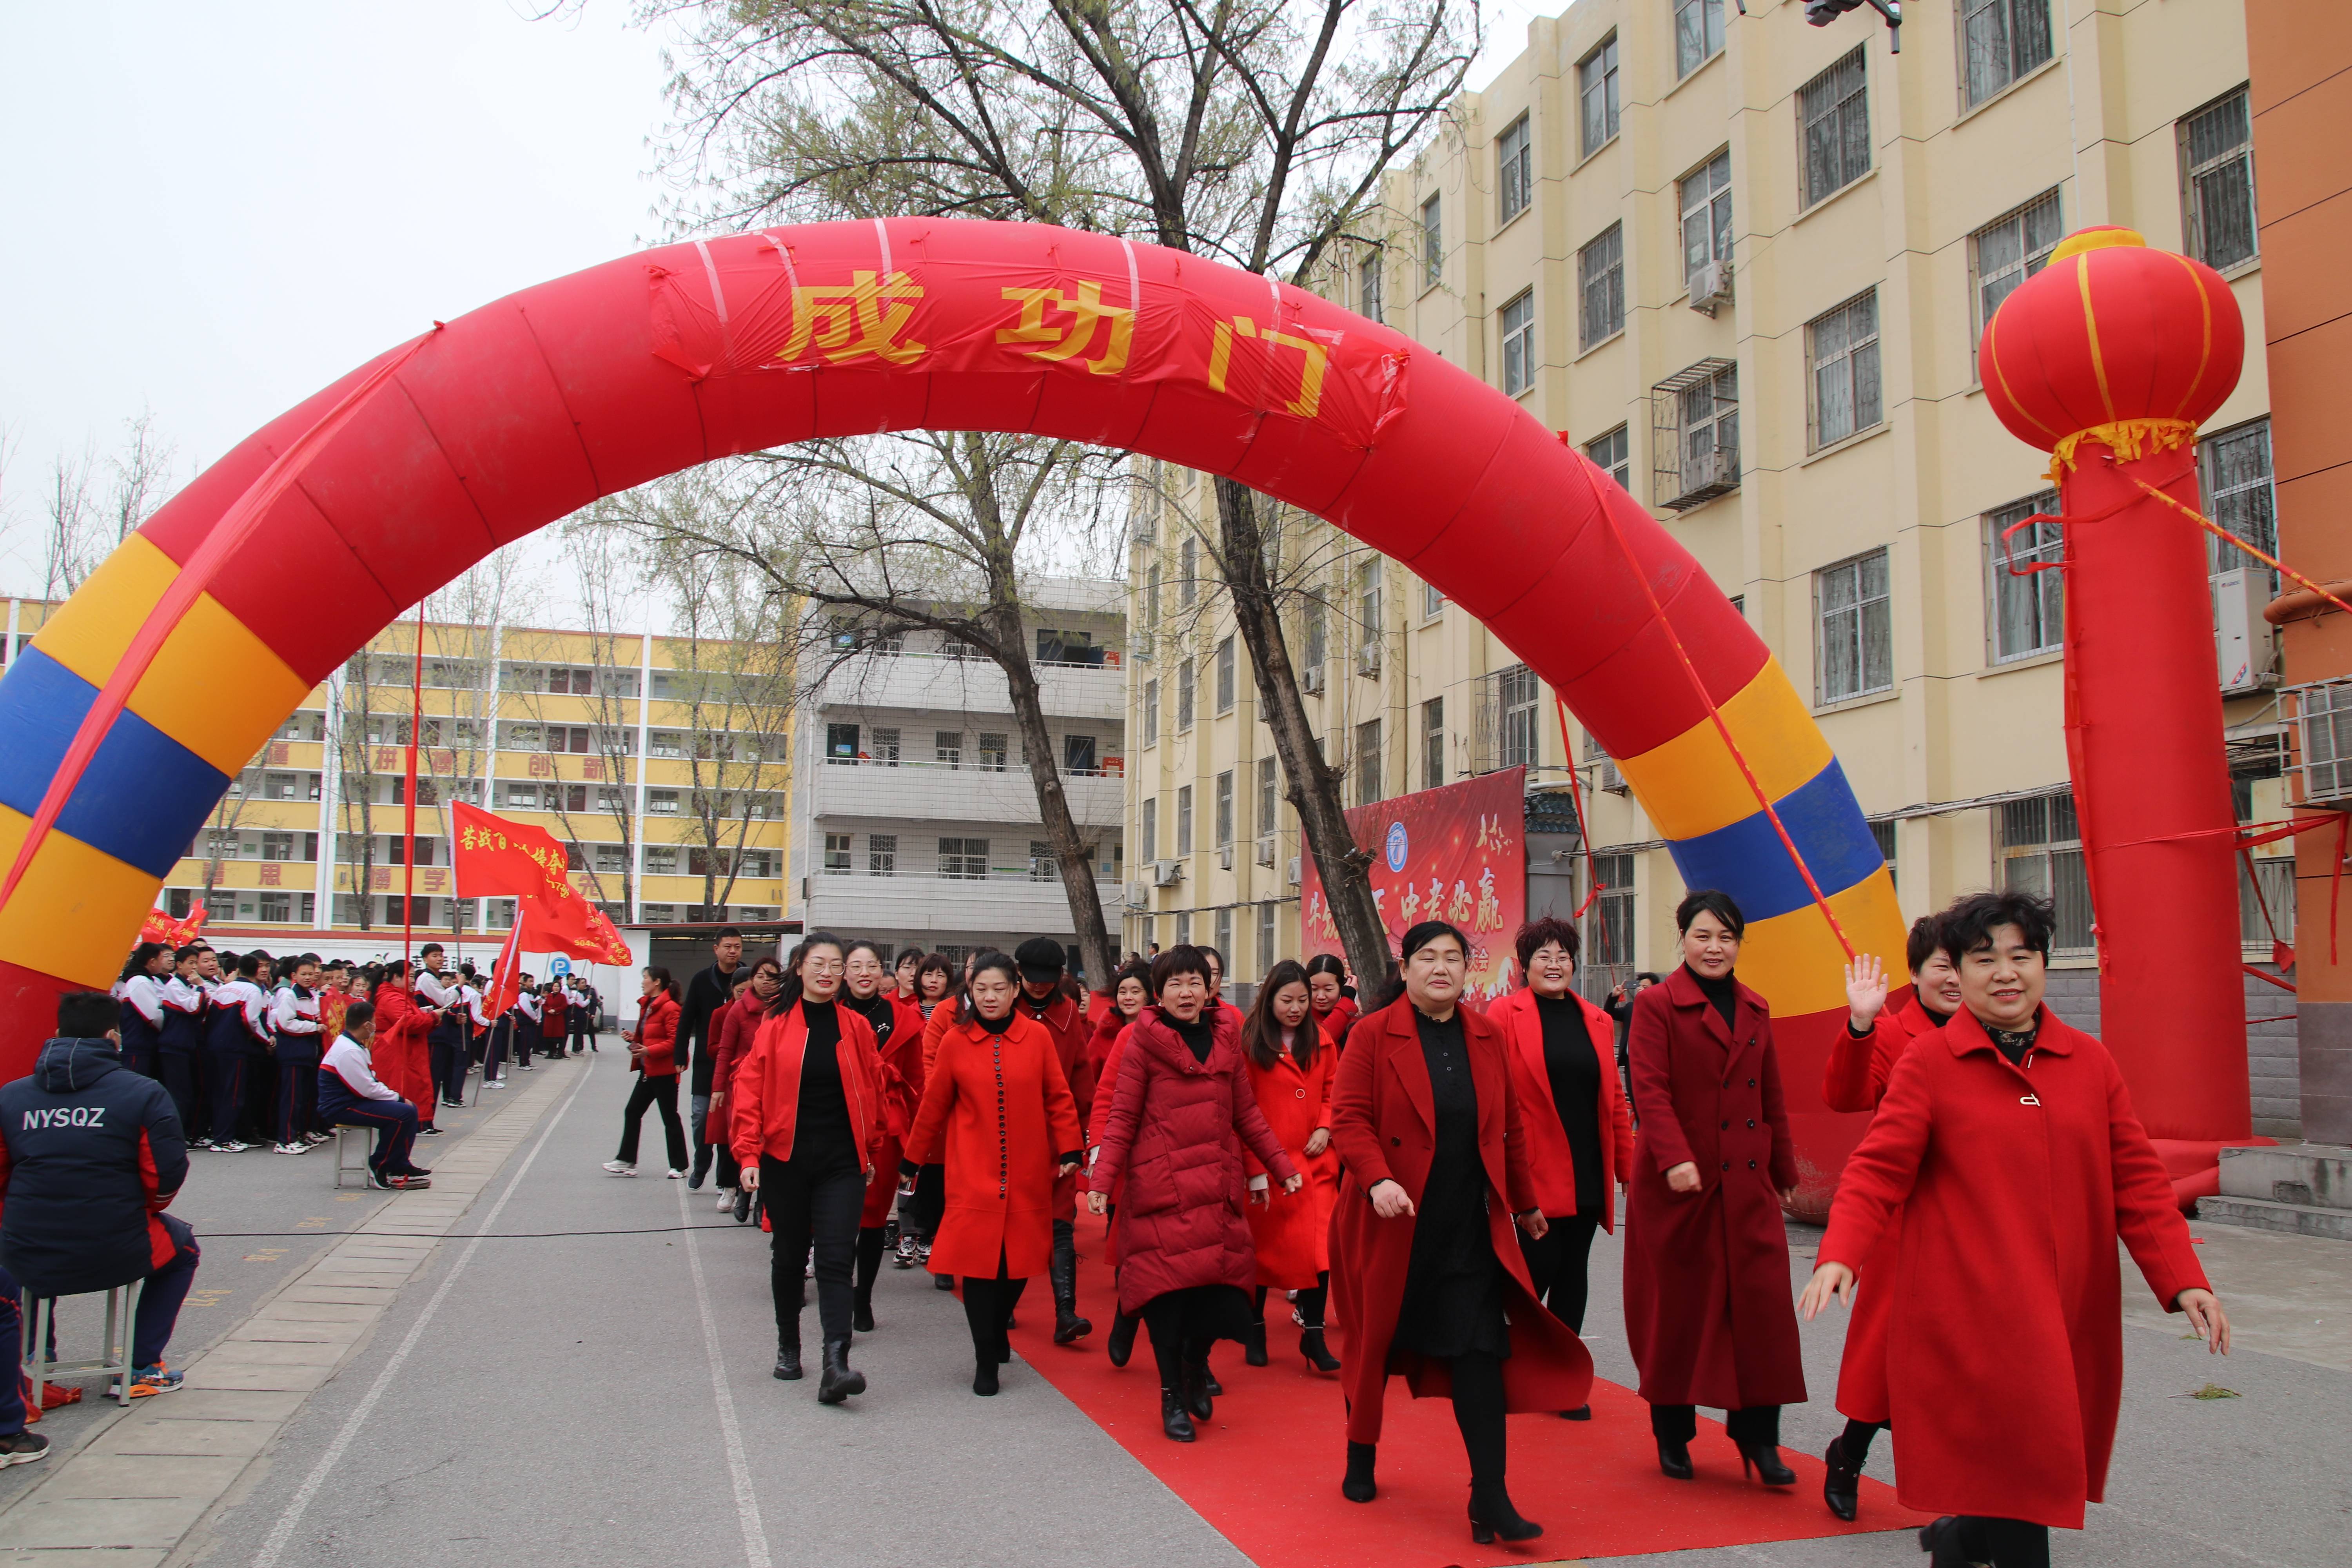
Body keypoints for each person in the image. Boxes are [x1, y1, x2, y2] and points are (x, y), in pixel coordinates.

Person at [1799, 893, 2228, 1568]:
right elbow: (1876, 1171)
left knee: (2018, 1486)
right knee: (2025, 1495)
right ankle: (1958, 1537)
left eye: (2021, 956)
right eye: (1984, 958)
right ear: (1957, 975)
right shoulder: (1929, 1065)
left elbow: (2139, 1184)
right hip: (1971, 1319)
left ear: (2044, 966)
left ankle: (1955, 1540)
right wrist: (1841, 1254)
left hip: (2065, 1318)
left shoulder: (2090, 1064)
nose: (2006, 972)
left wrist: (2184, 1281)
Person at [1325, 922, 1588, 1541]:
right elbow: (1349, 1119)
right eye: (1428, 958)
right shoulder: (1370, 1034)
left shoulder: (1487, 1035)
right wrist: (1377, 1179)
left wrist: (1525, 1204)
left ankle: (1489, 1498)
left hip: (1467, 1227)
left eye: (1453, 959)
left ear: (1468, 971)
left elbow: (1511, 1127)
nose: (1441, 968)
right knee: (1374, 1349)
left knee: (1479, 1353)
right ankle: (1361, 1450)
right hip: (1390, 1223)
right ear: (1406, 968)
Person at [1623, 890, 1804, 1487]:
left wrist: (1782, 1173)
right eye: (1703, 936)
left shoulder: (1755, 1008)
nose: (1715, 947)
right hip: (1681, 1188)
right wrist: (1673, 1157)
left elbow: (1770, 1095)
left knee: (1762, 1316)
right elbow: (1648, 1087)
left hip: (1746, 1185)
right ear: (1683, 940)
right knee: (1677, 1315)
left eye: (1726, 937)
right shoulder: (1654, 1005)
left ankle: (1760, 1441)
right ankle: (1673, 1436)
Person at [1088, 945, 1298, 1441]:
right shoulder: (1142, 1041)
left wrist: (1279, 1166)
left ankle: (1193, 1364)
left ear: (1210, 989)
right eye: (1176, 984)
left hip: (1217, 1188)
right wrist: (1101, 1182)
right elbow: (1121, 1117)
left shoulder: (1227, 1037)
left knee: (1223, 1297)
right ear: (1159, 993)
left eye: (1195, 982)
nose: (1187, 992)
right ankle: (1171, 1395)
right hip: (1163, 1189)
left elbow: (1246, 1113)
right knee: (1169, 1299)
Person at [1817, 911, 1964, 1520]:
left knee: (1963, 1358)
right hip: (1903, 1218)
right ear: (1916, 973)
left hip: (1969, 1217)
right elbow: (1845, 1097)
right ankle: (1849, 1453)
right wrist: (1860, 1022)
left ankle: (1965, 1494)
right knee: (1885, 1354)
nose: (1956, 979)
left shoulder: (1997, 1032)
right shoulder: (1892, 1033)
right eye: (1944, 967)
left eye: (1968, 964)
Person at [0, 990, 202, 1398]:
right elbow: (165, 1177)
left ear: (56, 1033)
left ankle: (37, 1362)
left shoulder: (11, 1095)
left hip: (25, 1243)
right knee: (184, 1250)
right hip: (118, 1243)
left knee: (28, 1254)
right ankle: (141, 1365)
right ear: (115, 1038)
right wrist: (142, 1210)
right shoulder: (145, 1092)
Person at [904, 951, 1083, 1396]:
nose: (990, 997)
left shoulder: (1038, 1037)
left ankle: (997, 1329)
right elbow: (934, 1106)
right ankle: (986, 1354)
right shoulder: (955, 1042)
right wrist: (912, 1159)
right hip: (972, 1172)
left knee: (1019, 1265)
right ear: (970, 992)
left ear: (1015, 990)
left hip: (1027, 1171)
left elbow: (1059, 1096)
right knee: (980, 1270)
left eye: (999, 988)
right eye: (981, 989)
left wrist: (1072, 1147)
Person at [1483, 916, 1634, 1418]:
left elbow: (1613, 1098)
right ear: (1525, 965)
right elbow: (1492, 1094)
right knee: (1534, 1268)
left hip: (1587, 1165)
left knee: (1574, 1272)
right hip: (1534, 1165)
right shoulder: (1503, 1014)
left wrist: (1627, 1166)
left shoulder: (1596, 1018)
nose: (1554, 963)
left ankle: (1562, 1379)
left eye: (1563, 955)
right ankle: (1506, 1362)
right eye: (1543, 955)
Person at [731, 935, 885, 1403]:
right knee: (790, 1257)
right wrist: (749, 1155)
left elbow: (874, 1090)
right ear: (799, 968)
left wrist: (871, 1150)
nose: (828, 972)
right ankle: (788, 1345)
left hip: (842, 1163)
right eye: (818, 963)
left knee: (838, 1259)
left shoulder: (856, 1027)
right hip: (786, 1161)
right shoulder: (774, 1027)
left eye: (836, 965)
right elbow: (750, 1092)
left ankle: (836, 1362)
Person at [1235, 959, 1342, 1372]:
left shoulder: (1323, 1041)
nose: (1296, 1008)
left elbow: (1336, 1091)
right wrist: (1255, 1166)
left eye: (1303, 999)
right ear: (1269, 999)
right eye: (1287, 1000)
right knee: (1264, 1253)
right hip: (1270, 1164)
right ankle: (1255, 1326)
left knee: (1321, 1252)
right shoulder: (1250, 1043)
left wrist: (1326, 1126)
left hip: (1316, 1164)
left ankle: (1313, 1335)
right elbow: (1242, 1109)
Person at [1012, 937, 1097, 1345]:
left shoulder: (1068, 1015)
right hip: (1010, 1136)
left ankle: (1066, 1312)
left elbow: (1081, 1074)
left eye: (1048, 980)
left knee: (1062, 1223)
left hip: (1059, 1133)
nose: (1040, 986)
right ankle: (1003, 1303)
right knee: (1016, 1222)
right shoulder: (1004, 1007)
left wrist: (1084, 1131)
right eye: (1033, 979)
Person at [841, 940, 924, 1328]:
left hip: (886, 1128)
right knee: (837, 1215)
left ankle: (863, 1296)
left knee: (872, 1218)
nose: (863, 972)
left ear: (881, 972)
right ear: (843, 971)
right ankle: (839, 1292)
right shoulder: (828, 1012)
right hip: (837, 1124)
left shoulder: (902, 1018)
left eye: (871, 965)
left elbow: (916, 1081)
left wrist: (918, 1137)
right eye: (855, 965)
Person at [1083, 958, 1152, 1363]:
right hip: (1132, 1152)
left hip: (1189, 1158)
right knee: (1135, 1243)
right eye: (1123, 991)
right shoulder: (1122, 1035)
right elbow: (1105, 1094)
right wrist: (1099, 1152)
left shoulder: (1216, 1032)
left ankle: (1193, 1360)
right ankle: (1128, 1311)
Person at [316, 1002, 432, 1190]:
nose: (375, 1026)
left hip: (353, 1101)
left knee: (408, 1110)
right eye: (374, 1022)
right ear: (366, 1026)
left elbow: (370, 1082)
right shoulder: (348, 1050)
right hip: (341, 1107)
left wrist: (397, 1099)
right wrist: (399, 1098)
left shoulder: (354, 1045)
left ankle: (399, 1163)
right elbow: (367, 1089)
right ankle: (380, 1164)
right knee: (403, 1114)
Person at [708, 960, 779, 1220]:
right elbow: (725, 1050)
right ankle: (743, 1192)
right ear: (753, 979)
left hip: (776, 1086)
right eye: (761, 976)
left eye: (773, 977)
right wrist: (718, 1087)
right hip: (743, 1084)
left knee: (769, 1142)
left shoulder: (785, 1008)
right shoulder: (738, 1010)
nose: (766, 981)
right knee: (745, 1138)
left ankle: (763, 1202)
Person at [682, 928, 747, 1194]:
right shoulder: (701, 980)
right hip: (707, 1063)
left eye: (738, 947)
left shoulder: (749, 978)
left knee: (729, 1124)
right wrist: (679, 1054)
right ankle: (701, 1161)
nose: (733, 951)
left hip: (738, 1068)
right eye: (728, 946)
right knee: (700, 1117)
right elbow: (687, 1018)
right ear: (716, 949)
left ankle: (726, 1180)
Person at [607, 968, 688, 1177]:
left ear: (657, 982)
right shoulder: (648, 1005)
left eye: (645, 978)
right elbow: (649, 1036)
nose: (643, 982)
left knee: (670, 1117)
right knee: (633, 1111)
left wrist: (648, 1051)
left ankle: (679, 1166)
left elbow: (675, 1042)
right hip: (648, 1070)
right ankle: (627, 1160)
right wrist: (634, 1038)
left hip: (665, 1072)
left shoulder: (670, 1008)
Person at [200, 953, 271, 1153]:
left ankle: (218, 1135)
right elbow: (251, 1020)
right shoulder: (253, 991)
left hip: (214, 1044)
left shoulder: (223, 988)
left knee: (219, 1091)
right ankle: (224, 1139)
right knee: (232, 1093)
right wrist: (266, 1040)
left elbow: (209, 1017)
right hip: (234, 1046)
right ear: (256, 970)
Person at [269, 956, 326, 1154]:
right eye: (304, 974)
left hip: (306, 1055)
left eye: (311, 974)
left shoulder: (310, 995)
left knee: (301, 1099)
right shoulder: (289, 996)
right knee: (291, 1099)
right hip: (293, 1055)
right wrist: (314, 1027)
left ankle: (297, 1135)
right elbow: (286, 1024)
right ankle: (285, 1140)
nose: (308, 978)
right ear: (294, 976)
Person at [156, 944, 208, 1134]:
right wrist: (201, 988)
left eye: (196, 963)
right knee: (179, 1093)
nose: (194, 968)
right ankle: (175, 1134)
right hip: (174, 1045)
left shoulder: (187, 985)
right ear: (179, 965)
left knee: (188, 1091)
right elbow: (193, 1008)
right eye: (191, 963)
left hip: (186, 1045)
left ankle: (187, 1133)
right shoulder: (175, 986)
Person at [415, 944, 467, 1111]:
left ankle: (428, 1119)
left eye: (441, 956)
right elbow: (445, 1001)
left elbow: (441, 1008)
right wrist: (459, 986)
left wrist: (454, 1017)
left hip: (440, 1034)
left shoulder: (433, 979)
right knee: (431, 1078)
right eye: (435, 956)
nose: (439, 959)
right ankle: (424, 1120)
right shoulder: (426, 978)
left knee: (437, 1078)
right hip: (433, 1035)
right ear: (425, 959)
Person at [114, 942, 172, 1079]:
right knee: (136, 1082)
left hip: (142, 1044)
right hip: (138, 1045)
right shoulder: (140, 981)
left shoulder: (143, 979)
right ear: (152, 962)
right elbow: (154, 1016)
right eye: (162, 958)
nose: (166, 961)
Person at [1304, 953, 1357, 1051]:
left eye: (1328, 989)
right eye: (1314, 989)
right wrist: (1347, 1000)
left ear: (1342, 986)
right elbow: (1322, 1040)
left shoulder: (1355, 1023)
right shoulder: (1300, 1018)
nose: (1321, 997)